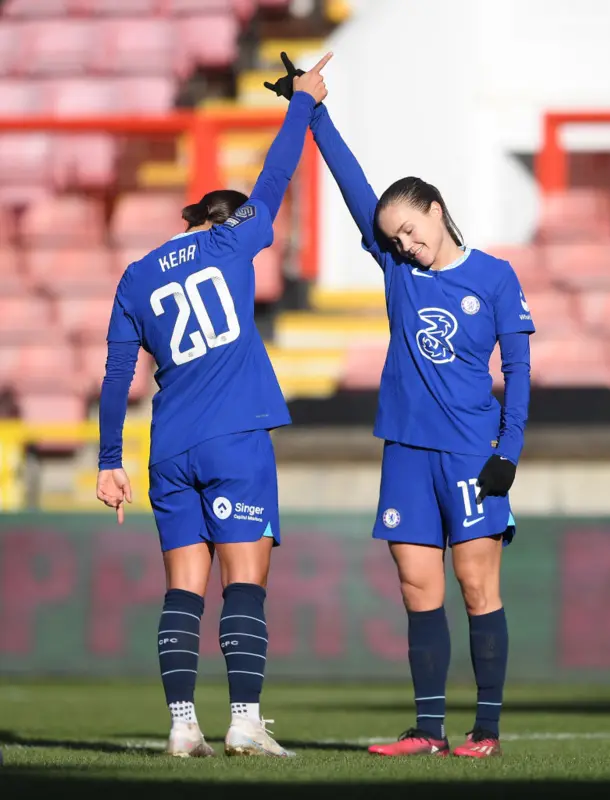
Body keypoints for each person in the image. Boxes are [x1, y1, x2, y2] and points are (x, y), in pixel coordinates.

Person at [266, 54, 534, 759]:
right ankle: (426, 729)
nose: (404, 246)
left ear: (437, 211)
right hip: (406, 452)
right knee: (418, 586)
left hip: (474, 453)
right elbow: (354, 184)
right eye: (393, 240)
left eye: (411, 232)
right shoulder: (396, 271)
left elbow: (521, 368)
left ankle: (487, 731)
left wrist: (509, 451)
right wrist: (311, 108)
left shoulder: (496, 277)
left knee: (477, 587)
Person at [96, 53, 332, 759]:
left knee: (182, 592)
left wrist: (110, 462)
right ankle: (245, 720)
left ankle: (179, 727)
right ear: (214, 221)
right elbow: (278, 176)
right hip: (235, 438)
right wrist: (303, 102)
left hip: (169, 447)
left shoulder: (134, 279)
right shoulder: (231, 244)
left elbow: (116, 378)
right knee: (246, 587)